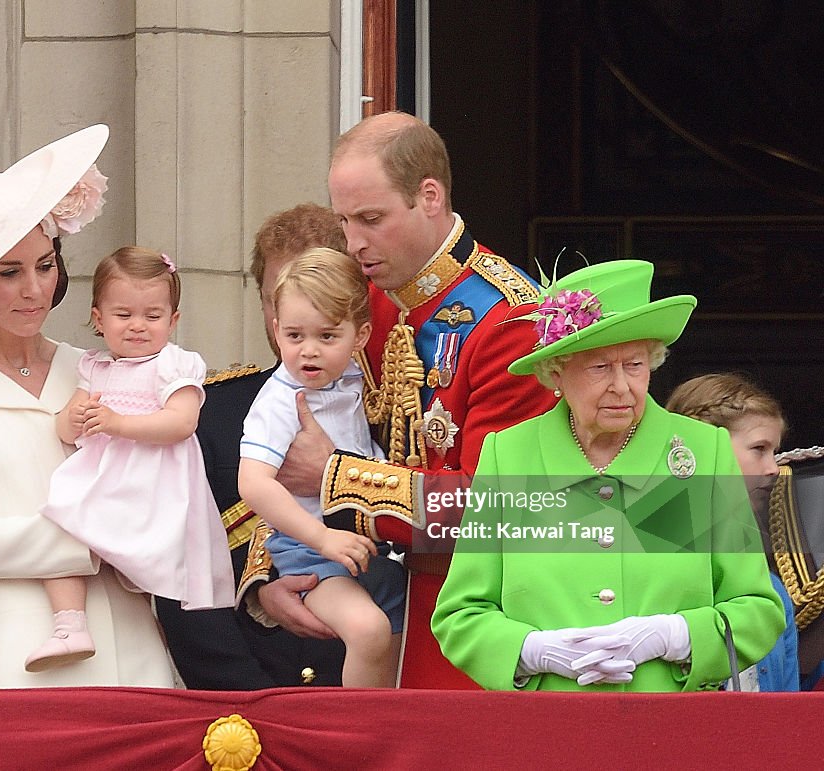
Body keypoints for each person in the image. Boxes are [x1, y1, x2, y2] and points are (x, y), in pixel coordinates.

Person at [252, 111, 556, 688]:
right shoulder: (360, 297)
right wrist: (269, 568)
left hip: (472, 618)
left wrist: (338, 477)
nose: (354, 242)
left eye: (371, 218)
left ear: (430, 197)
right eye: (345, 221)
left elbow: (504, 507)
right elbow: (281, 425)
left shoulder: (511, 320)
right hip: (364, 597)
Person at [0, 125, 175, 688]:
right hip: (19, 659)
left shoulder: (96, 366)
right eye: (9, 272)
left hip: (134, 647)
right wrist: (95, 539)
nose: (35, 290)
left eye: (45, 266)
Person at [431, 259, 786, 691]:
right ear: (556, 371)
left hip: (672, 735)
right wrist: (531, 650)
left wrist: (676, 637)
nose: (622, 386)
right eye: (600, 367)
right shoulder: (510, 457)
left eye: (635, 365)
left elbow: (757, 610)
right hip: (548, 736)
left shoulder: (701, 453)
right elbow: (460, 616)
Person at [153, 203, 406, 689]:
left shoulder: (390, 401)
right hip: (260, 686)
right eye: (279, 299)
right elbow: (180, 578)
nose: (299, 320)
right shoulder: (208, 413)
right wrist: (259, 591)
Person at [28, 246, 234, 671]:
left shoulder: (173, 365)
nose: (138, 327)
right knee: (59, 526)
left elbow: (181, 423)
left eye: (152, 316)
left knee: (146, 578)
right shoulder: (95, 367)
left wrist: (118, 423)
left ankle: (155, 651)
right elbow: (68, 428)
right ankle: (70, 623)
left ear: (173, 321)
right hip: (107, 478)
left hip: (153, 486)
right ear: (99, 319)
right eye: (123, 315)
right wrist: (74, 417)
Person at [238, 248, 402, 687]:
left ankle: (391, 734)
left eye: (327, 336)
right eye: (294, 336)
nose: (308, 351)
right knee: (369, 631)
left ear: (361, 335)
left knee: (408, 641)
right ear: (276, 330)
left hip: (374, 546)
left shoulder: (358, 378)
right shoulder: (279, 399)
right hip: (310, 550)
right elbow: (252, 484)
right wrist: (321, 537)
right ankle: (362, 743)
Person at [666, 372, 798, 691]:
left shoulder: (773, 593)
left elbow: (789, 717)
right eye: (758, 448)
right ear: (706, 447)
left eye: (774, 451)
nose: (772, 468)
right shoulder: (646, 572)